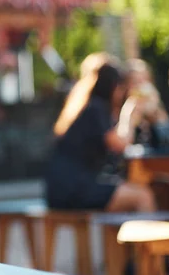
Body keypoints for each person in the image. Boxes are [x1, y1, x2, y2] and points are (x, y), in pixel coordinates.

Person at [45, 62, 156, 212]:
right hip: (72, 190)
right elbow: (120, 145)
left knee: (128, 192)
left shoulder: (86, 106)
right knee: (143, 197)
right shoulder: (96, 108)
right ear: (114, 87)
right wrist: (130, 114)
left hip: (61, 188)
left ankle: (125, 235)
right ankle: (148, 235)